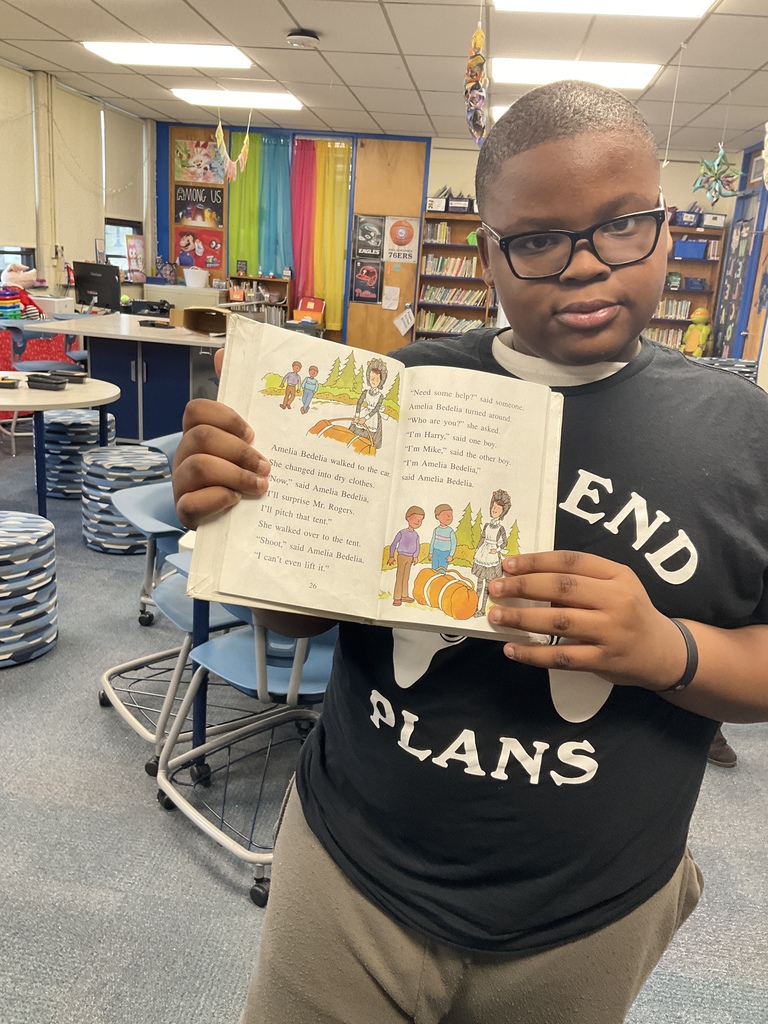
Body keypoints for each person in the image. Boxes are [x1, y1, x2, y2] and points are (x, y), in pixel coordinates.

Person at [172, 80, 768, 1024]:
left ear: (669, 223)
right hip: (350, 875)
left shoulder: (745, 434)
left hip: (587, 913)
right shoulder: (393, 391)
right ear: (488, 251)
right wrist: (233, 511)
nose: (582, 266)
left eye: (623, 226)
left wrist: (667, 651)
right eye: (536, 239)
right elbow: (293, 613)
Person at [471, 488, 511, 616]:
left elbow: (505, 542)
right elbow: (483, 537)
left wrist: (497, 549)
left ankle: (482, 609)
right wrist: (477, 548)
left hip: (492, 556)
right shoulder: (487, 525)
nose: (494, 510)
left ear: (502, 512)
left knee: (488, 584)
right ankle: (474, 607)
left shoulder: (501, 528)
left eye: (498, 508)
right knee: (478, 583)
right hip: (482, 554)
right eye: (493, 507)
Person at [387, 506, 425, 606]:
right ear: (408, 518)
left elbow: (417, 546)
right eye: (416, 518)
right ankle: (397, 598)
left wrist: (415, 556)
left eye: (420, 520)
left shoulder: (416, 535)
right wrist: (391, 556)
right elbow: (394, 544)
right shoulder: (402, 533)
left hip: (410, 558)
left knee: (406, 576)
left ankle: (404, 595)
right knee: (400, 576)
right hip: (402, 556)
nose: (418, 522)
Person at [349, 356, 387, 450]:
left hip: (372, 417)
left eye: (376, 379)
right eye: (371, 378)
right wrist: (357, 415)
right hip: (363, 413)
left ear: (381, 381)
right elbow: (359, 403)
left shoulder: (380, 396)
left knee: (369, 438)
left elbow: (376, 409)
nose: (373, 381)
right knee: (354, 433)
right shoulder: (365, 392)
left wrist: (365, 418)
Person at [429, 503, 456, 573]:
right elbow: (432, 542)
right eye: (445, 514)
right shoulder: (436, 530)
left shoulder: (450, 531)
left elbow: (453, 544)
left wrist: (451, 555)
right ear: (437, 516)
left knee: (442, 570)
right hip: (436, 552)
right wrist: (431, 552)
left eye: (450, 514)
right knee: (434, 570)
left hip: (445, 553)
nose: (449, 516)